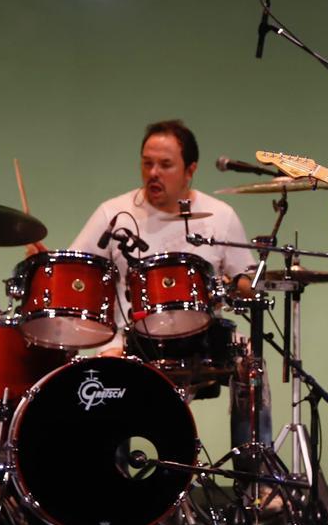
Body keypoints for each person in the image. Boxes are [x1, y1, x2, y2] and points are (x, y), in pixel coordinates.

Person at [69, 120, 272, 463]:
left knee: (252, 366)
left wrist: (243, 285)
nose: (153, 173)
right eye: (147, 163)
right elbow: (79, 271)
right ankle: (113, 479)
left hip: (202, 340)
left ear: (190, 170)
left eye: (165, 165)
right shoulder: (114, 214)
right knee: (104, 375)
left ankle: (254, 477)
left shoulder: (219, 217)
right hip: (129, 340)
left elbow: (245, 281)